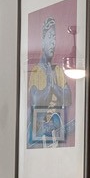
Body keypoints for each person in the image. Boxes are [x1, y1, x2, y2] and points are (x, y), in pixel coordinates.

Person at [27, 16, 70, 148]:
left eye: (55, 38)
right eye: (50, 37)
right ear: (42, 40)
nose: (53, 43)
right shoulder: (35, 71)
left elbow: (67, 97)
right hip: (38, 133)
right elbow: (35, 101)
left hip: (55, 132)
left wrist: (54, 86)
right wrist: (50, 88)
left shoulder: (58, 70)